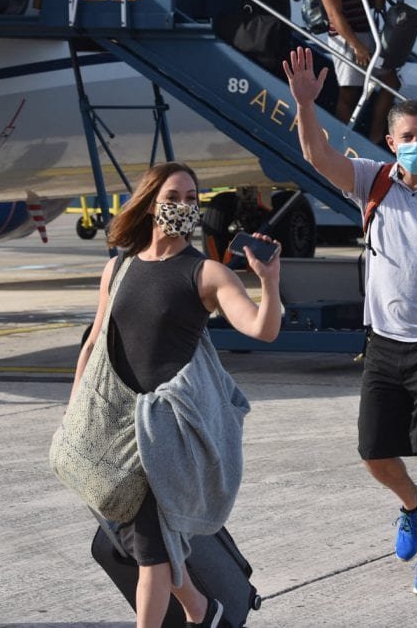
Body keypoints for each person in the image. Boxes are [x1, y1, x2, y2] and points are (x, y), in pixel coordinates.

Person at [284, 46, 417, 596]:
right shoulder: (372, 181)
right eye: (405, 136)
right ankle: (409, 504)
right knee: (375, 454)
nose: (414, 143)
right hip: (384, 341)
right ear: (390, 143)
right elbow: (317, 156)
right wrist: (307, 107)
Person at [72, 162, 282, 628]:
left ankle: (192, 612)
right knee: (145, 539)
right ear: (150, 202)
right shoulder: (119, 266)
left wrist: (268, 280)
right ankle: (201, 610)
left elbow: (261, 329)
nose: (184, 206)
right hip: (116, 427)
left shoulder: (205, 274)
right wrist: (74, 412)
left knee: (150, 553)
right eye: (174, 196)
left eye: (192, 198)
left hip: (166, 432)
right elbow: (94, 343)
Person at [316, 0, 400, 144]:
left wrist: (374, 2)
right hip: (347, 40)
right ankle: (341, 142)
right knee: (349, 93)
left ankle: (375, 137)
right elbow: (334, 15)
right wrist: (357, 46)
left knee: (391, 81)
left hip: (367, 35)